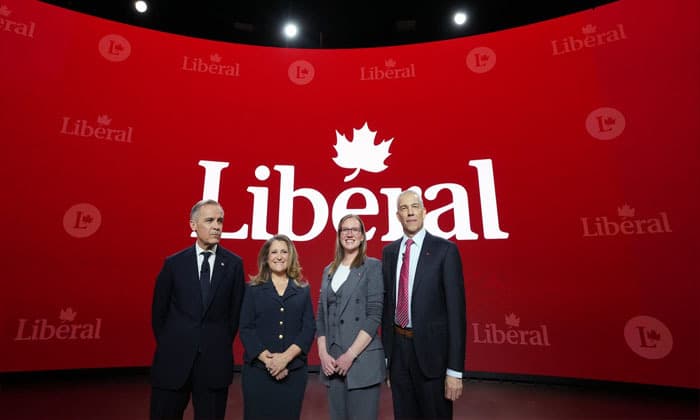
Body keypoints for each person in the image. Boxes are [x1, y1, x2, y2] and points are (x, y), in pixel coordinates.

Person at [150, 199, 246, 420]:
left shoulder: (233, 265)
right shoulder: (173, 264)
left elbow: (234, 317)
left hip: (213, 364)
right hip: (172, 363)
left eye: (220, 220)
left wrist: (213, 341)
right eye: (210, 220)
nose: (217, 226)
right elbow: (159, 314)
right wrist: (175, 342)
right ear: (193, 225)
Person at [382, 189, 467, 419]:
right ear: (397, 216)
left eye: (415, 206)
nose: (410, 212)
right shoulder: (388, 253)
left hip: (433, 360)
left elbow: (456, 315)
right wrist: (388, 360)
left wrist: (455, 371)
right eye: (404, 208)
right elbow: (388, 308)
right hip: (399, 355)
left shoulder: (445, 251)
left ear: (424, 212)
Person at [239, 234, 316, 420]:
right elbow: (246, 328)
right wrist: (270, 362)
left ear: (291, 257)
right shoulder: (253, 289)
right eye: (274, 252)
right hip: (258, 373)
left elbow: (308, 329)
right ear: (266, 257)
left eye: (284, 251)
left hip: (293, 373)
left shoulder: (302, 290)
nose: (279, 256)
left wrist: (285, 359)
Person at [316, 214, 385, 420]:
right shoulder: (328, 270)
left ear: (363, 236)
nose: (349, 234)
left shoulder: (372, 267)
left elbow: (374, 315)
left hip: (361, 361)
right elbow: (321, 316)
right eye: (345, 229)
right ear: (339, 235)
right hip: (333, 362)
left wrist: (350, 355)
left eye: (355, 229)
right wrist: (323, 354)